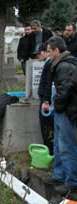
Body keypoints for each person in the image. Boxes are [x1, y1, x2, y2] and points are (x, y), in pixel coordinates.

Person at [42, 36, 77, 197]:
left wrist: (58, 106)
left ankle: (72, 184)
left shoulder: (64, 66)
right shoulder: (59, 64)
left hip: (66, 112)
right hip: (61, 111)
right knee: (58, 145)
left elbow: (65, 91)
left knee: (66, 147)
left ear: (57, 50)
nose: (47, 54)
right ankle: (59, 176)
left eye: (49, 51)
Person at [35, 44, 54, 155]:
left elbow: (48, 83)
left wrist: (46, 100)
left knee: (46, 126)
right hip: (44, 98)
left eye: (39, 53)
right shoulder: (47, 63)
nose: (38, 56)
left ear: (46, 52)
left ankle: (49, 150)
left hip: (46, 100)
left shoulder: (49, 64)